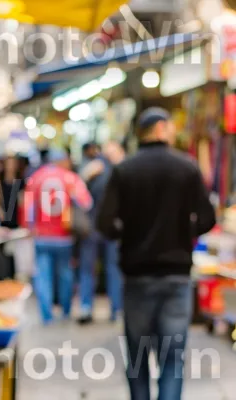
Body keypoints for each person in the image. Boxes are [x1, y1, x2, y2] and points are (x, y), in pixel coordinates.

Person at [97, 107, 216, 400]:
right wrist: (185, 234)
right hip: (176, 277)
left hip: (137, 277)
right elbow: (207, 218)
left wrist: (126, 234)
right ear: (161, 129)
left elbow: (103, 222)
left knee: (138, 360)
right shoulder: (186, 168)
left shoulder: (125, 170)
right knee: (172, 359)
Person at [22, 149, 92, 324]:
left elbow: (28, 207)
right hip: (64, 236)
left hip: (41, 235)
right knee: (65, 275)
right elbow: (87, 203)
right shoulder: (70, 178)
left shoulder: (36, 178)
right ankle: (65, 311)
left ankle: (46, 315)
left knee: (43, 275)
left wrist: (30, 228)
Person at [77, 141, 125, 325]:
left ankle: (114, 308)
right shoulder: (95, 169)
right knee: (93, 268)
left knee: (111, 268)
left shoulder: (119, 171)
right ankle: (88, 307)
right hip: (95, 227)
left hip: (108, 228)